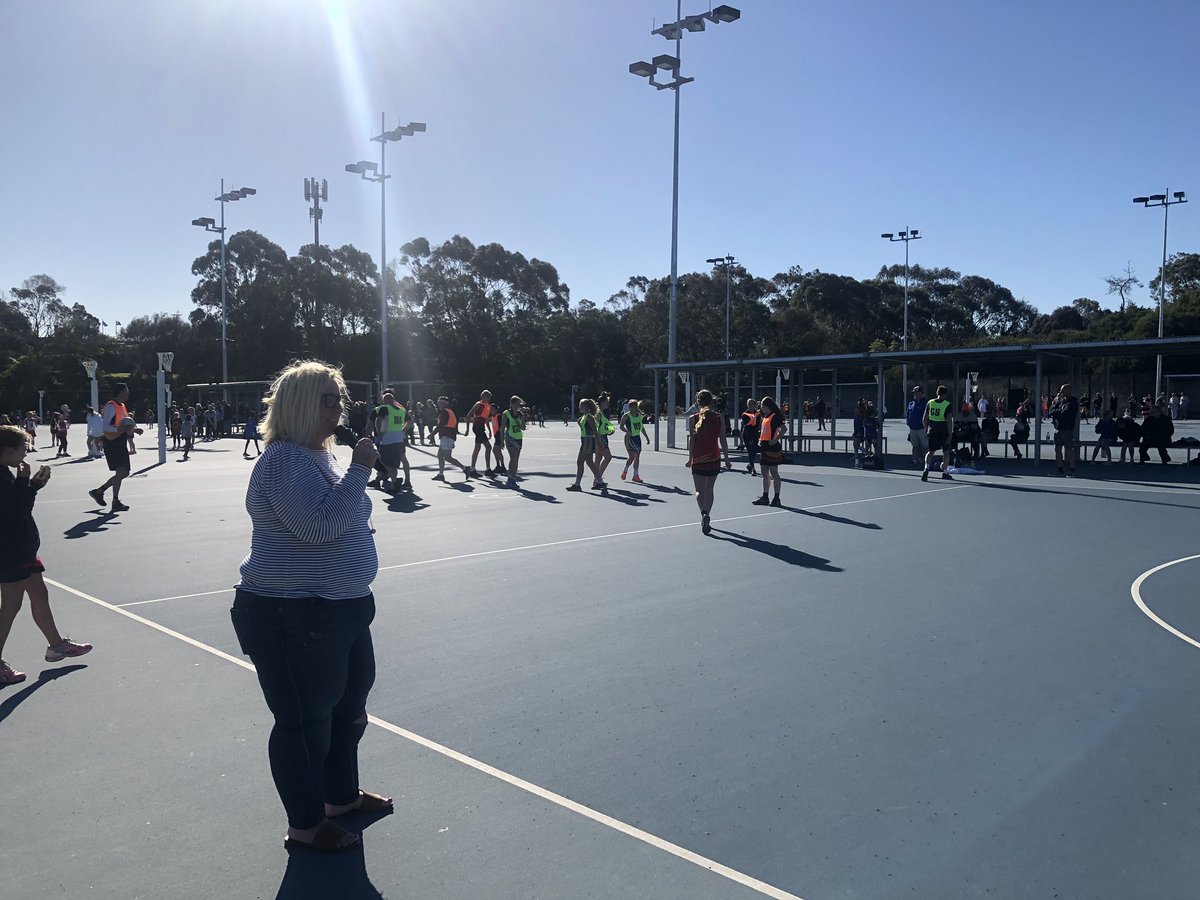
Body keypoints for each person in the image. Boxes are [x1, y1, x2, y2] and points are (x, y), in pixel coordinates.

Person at [229, 362, 390, 852]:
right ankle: (304, 824)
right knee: (306, 723)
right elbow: (316, 527)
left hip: (341, 607)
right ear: (298, 404)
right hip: (293, 614)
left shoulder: (324, 458)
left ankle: (338, 798)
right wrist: (362, 469)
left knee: (348, 711)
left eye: (338, 398)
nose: (337, 408)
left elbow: (335, 523)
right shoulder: (285, 460)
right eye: (326, 399)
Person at [0, 425, 92, 685]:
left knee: (39, 595)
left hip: (22, 547)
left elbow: (16, 505)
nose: (24, 456)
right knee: (10, 606)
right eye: (22, 450)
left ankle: (56, 646)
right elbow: (13, 511)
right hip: (10, 550)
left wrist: (29, 485)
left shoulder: (6, 473)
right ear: (8, 451)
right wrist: (30, 485)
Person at [89, 383, 142, 512]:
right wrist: (121, 429)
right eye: (126, 390)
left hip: (119, 441)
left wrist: (134, 430)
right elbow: (105, 426)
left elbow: (123, 425)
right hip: (112, 443)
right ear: (121, 391)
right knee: (124, 472)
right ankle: (100, 491)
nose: (128, 393)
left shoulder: (122, 406)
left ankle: (115, 500)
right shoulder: (111, 406)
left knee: (120, 473)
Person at [686, 390, 732, 534]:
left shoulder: (693, 418)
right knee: (709, 489)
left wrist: (690, 459)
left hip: (699, 457)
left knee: (699, 491)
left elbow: (692, 441)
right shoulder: (719, 417)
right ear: (712, 402)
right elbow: (723, 439)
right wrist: (727, 459)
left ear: (698, 402)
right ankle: (708, 513)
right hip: (713, 457)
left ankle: (703, 513)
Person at [372, 393, 411, 492]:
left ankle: (394, 480)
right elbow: (410, 422)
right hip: (399, 439)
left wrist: (379, 433)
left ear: (385, 400)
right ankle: (396, 483)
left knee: (384, 462)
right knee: (395, 463)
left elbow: (378, 420)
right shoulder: (401, 410)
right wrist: (403, 430)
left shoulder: (384, 408)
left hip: (388, 439)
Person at [752, 396, 786, 507]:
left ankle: (776, 497)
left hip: (772, 448)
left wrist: (775, 440)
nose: (762, 408)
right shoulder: (765, 417)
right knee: (764, 473)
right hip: (764, 447)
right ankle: (765, 496)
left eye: (763, 406)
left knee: (774, 472)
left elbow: (784, 429)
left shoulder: (774, 417)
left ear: (768, 406)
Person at [566, 398, 602, 492]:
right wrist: (580, 423)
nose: (579, 407)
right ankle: (600, 481)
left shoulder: (589, 417)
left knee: (580, 462)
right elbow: (584, 427)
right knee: (589, 462)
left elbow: (594, 431)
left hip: (588, 441)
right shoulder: (585, 416)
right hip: (585, 440)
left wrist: (599, 443)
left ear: (587, 407)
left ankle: (577, 484)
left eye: (581, 405)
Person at [921, 385, 954, 482]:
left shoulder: (930, 403)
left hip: (932, 430)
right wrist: (950, 433)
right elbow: (949, 420)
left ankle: (926, 468)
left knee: (930, 451)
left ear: (937, 393)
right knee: (946, 452)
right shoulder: (947, 404)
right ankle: (945, 472)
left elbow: (924, 418)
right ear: (945, 394)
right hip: (943, 431)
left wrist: (926, 429)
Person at [434, 397, 469, 481]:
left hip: (447, 436)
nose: (438, 404)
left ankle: (464, 468)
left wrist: (432, 434)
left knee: (447, 457)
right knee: (440, 455)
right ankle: (441, 474)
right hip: (448, 436)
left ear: (444, 403)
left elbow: (441, 425)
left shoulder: (444, 412)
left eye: (439, 402)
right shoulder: (449, 411)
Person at [1049, 383, 1079, 477]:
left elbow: (1065, 413)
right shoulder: (1060, 401)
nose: (1061, 392)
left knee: (1069, 449)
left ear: (1068, 391)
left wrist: (1056, 412)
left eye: (1063, 390)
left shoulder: (1072, 401)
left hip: (1067, 429)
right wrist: (1055, 405)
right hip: (1057, 428)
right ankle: (1059, 469)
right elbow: (1051, 411)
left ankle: (1072, 469)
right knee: (1057, 448)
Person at [466, 390, 494, 477]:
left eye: (489, 397)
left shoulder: (488, 406)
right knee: (488, 447)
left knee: (477, 447)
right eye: (487, 397)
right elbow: (468, 416)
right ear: (482, 397)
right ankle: (487, 469)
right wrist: (467, 430)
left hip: (481, 428)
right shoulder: (478, 404)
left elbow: (486, 419)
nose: (488, 399)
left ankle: (472, 469)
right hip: (477, 427)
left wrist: (489, 430)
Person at [619, 399, 648, 483]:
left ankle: (636, 475)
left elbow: (641, 427)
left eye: (633, 406)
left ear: (636, 407)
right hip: (629, 438)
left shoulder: (639, 415)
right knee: (632, 456)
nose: (631, 408)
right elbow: (621, 426)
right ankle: (625, 470)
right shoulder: (626, 416)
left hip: (637, 438)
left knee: (637, 456)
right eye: (630, 406)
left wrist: (646, 437)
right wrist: (627, 431)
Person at [501, 395, 526, 488]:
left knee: (516, 459)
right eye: (517, 404)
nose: (518, 406)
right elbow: (502, 428)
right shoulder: (506, 413)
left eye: (519, 404)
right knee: (513, 458)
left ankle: (513, 477)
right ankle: (510, 478)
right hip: (509, 437)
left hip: (518, 437)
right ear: (512, 404)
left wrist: (521, 421)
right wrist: (501, 441)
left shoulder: (520, 414)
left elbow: (523, 427)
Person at [593, 392, 616, 488]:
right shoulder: (598, 413)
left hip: (603, 437)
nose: (608, 403)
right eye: (607, 402)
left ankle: (596, 482)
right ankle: (598, 479)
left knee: (598, 459)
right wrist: (599, 440)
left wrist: (609, 430)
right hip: (600, 438)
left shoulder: (602, 412)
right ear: (602, 403)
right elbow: (596, 427)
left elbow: (603, 426)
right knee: (608, 457)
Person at [906, 386, 928, 467]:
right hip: (913, 428)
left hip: (922, 428)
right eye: (914, 393)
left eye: (916, 392)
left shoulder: (926, 403)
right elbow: (908, 414)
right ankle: (914, 460)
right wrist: (908, 422)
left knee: (925, 446)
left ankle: (926, 462)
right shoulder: (911, 403)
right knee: (915, 445)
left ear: (921, 393)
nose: (915, 394)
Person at [739, 398, 761, 476]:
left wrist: (756, 436)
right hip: (747, 435)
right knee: (750, 451)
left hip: (755, 434)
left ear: (755, 405)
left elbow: (757, 426)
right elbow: (747, 427)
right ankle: (752, 468)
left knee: (754, 451)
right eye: (749, 404)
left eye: (752, 404)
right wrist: (750, 438)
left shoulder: (758, 414)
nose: (750, 406)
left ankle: (750, 465)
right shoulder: (744, 414)